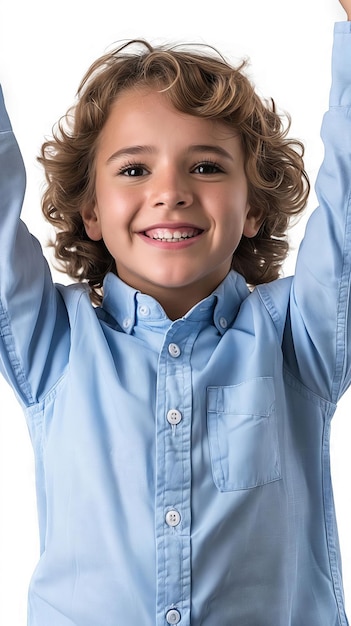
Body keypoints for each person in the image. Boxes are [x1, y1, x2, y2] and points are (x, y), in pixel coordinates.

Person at [0, 1, 350, 624]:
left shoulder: (297, 339)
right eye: (134, 169)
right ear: (91, 211)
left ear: (254, 210)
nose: (171, 191)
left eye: (207, 167)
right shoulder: (55, 344)